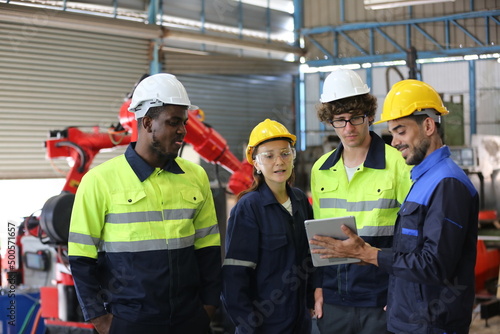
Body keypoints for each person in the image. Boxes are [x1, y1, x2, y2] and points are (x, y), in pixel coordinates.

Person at [311, 79, 479, 334]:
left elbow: (433, 265)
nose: (395, 142)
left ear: (429, 125)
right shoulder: (424, 179)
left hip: (426, 318)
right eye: (393, 133)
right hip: (397, 311)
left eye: (401, 131)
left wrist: (368, 254)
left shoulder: (445, 182)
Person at [68, 73, 222, 334]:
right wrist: (101, 320)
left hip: (190, 320)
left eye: (184, 122)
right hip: (130, 323)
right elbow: (81, 259)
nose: (183, 130)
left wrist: (208, 306)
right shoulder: (99, 181)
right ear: (148, 123)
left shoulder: (196, 176)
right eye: (174, 122)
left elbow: (208, 249)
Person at [310, 69, 412, 334]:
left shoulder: (398, 163)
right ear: (329, 120)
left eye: (355, 118)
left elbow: (412, 235)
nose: (348, 128)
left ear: (369, 116)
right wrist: (319, 287)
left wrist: (401, 290)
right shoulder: (320, 169)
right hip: (333, 302)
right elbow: (320, 240)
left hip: (381, 300)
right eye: (339, 120)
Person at [222, 119, 315, 333]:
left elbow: (309, 258)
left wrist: (310, 300)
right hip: (263, 325)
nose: (279, 162)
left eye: (285, 153)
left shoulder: (300, 201)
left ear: (293, 156)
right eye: (269, 156)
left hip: (300, 322)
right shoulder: (249, 208)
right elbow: (235, 277)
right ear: (256, 163)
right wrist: (248, 326)